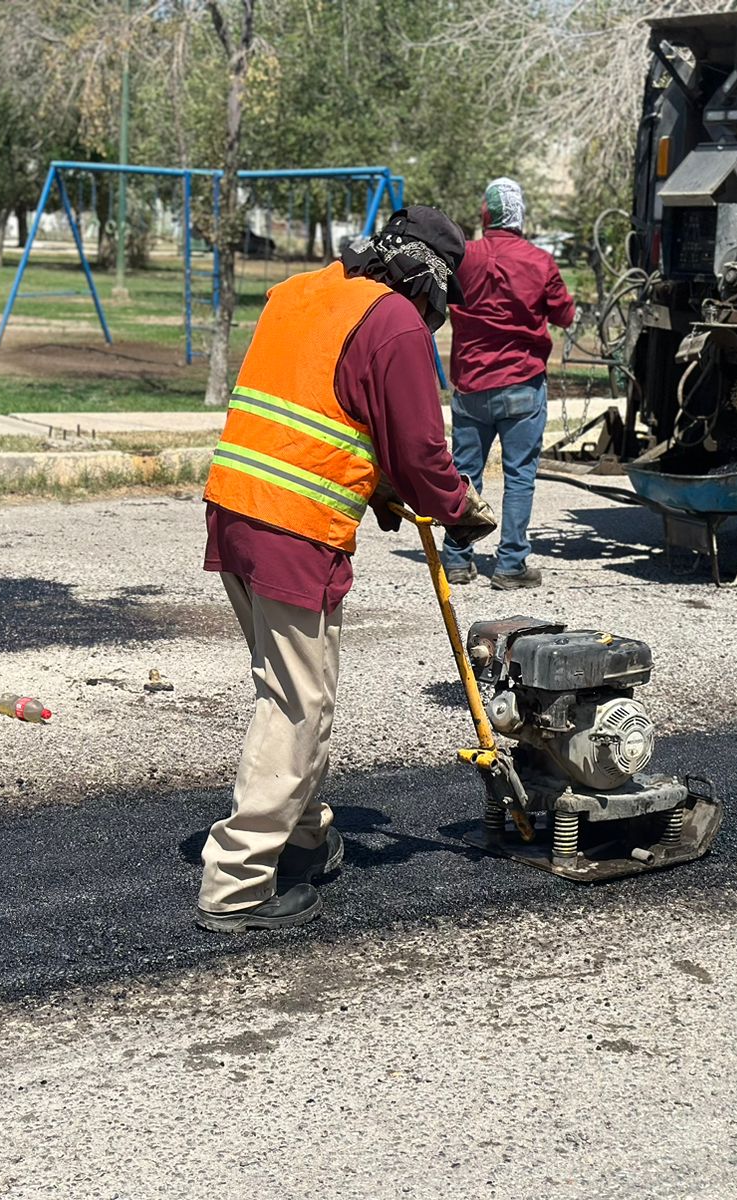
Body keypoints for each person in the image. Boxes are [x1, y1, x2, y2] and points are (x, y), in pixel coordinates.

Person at [197, 206, 498, 935]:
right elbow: (423, 454)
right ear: (427, 283)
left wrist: (376, 485)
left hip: (236, 506)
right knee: (297, 705)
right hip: (293, 530)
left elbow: (320, 405)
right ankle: (236, 882)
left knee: (293, 689)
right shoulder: (393, 323)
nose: (434, 321)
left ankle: (302, 839)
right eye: (441, 306)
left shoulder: (303, 291)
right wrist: (455, 507)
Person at [442, 177, 576, 589]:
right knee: (519, 477)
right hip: (522, 384)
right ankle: (510, 565)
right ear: (520, 216)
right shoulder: (539, 261)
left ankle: (457, 560)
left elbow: (443, 302)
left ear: (485, 215)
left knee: (465, 475)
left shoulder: (463, 258)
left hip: (471, 384)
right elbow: (565, 316)